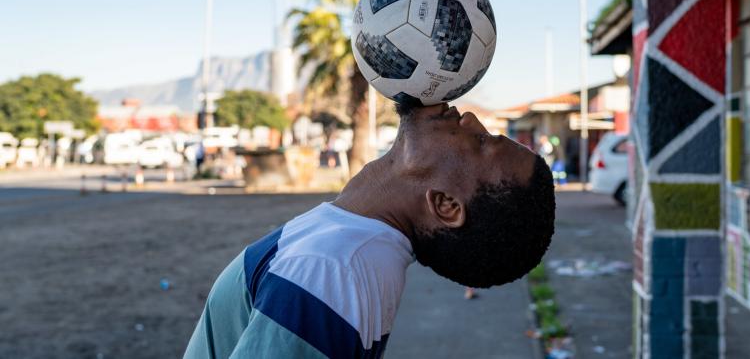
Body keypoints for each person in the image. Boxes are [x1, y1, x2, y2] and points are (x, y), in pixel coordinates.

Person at [184, 102, 556, 359]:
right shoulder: (349, 257)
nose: (472, 119)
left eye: (480, 143)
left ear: (445, 205)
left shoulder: (330, 271)